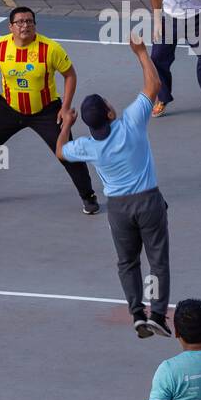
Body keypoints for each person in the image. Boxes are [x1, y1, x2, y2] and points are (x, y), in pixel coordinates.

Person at [57, 34, 171, 338]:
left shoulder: (87, 146)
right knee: (157, 259)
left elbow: (60, 152)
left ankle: (136, 312)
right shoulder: (132, 121)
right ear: (110, 113)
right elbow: (153, 86)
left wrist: (66, 123)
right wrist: (142, 53)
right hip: (148, 202)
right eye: (109, 103)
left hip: (119, 209)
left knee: (127, 261)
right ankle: (157, 313)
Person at [0, 6, 99, 214]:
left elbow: (70, 75)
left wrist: (64, 108)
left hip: (45, 111)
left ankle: (88, 196)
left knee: (66, 153)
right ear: (10, 27)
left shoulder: (50, 49)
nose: (25, 25)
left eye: (29, 21)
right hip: (9, 107)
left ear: (35, 25)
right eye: (20, 22)